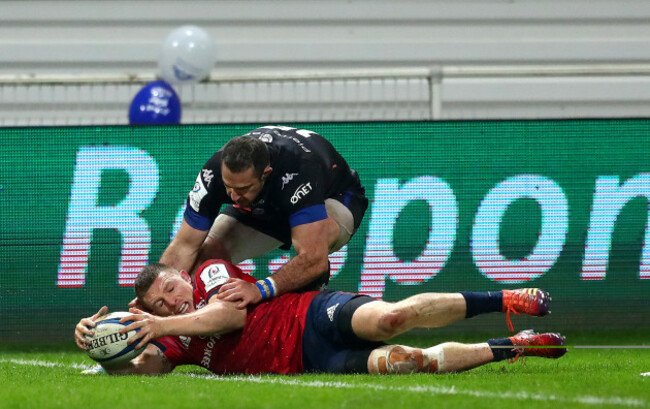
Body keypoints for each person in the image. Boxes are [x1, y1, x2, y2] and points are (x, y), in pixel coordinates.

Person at [75, 260, 567, 376]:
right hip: (310, 363)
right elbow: (141, 372)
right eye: (160, 305)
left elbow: (227, 320)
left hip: (311, 314)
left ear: (181, 275)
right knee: (405, 361)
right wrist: (101, 345)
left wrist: (157, 325)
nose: (171, 303)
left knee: (392, 318)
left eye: (169, 288)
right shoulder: (172, 342)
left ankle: (503, 298)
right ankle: (515, 344)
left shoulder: (210, 273)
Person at [159, 125, 368, 309]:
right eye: (228, 187)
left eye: (243, 188)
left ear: (265, 173)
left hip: (334, 197)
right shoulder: (212, 173)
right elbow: (184, 245)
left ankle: (313, 297)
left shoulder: (299, 168)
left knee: (314, 251)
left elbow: (314, 259)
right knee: (203, 259)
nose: (233, 196)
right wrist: (153, 295)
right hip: (266, 206)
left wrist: (259, 289)